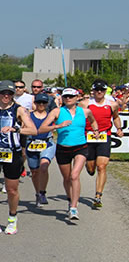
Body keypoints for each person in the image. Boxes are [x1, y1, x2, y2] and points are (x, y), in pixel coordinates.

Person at [0, 80, 36, 237]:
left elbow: (33, 130)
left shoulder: (20, 110)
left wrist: (15, 129)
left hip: (12, 153)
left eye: (9, 93)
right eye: (3, 93)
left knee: (11, 190)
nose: (6, 96)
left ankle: (12, 217)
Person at [38, 87, 98, 220]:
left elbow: (93, 121)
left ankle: (74, 208)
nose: (68, 99)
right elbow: (42, 128)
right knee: (67, 178)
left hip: (80, 147)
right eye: (65, 97)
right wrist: (58, 126)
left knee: (74, 176)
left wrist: (96, 130)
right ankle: (70, 199)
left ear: (77, 98)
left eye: (71, 97)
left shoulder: (85, 111)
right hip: (63, 148)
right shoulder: (57, 111)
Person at [80, 80, 122, 208]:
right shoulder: (85, 103)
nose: (99, 92)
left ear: (105, 91)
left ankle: (98, 196)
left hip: (104, 136)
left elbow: (115, 117)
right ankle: (89, 166)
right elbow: (79, 118)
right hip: (88, 137)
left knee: (102, 166)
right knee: (91, 167)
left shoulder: (112, 104)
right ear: (93, 91)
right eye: (97, 90)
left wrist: (119, 128)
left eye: (102, 90)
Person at [26, 93, 56, 207]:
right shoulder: (28, 115)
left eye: (44, 103)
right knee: (35, 172)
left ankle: (43, 192)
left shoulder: (50, 115)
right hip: (31, 144)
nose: (41, 105)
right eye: (39, 103)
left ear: (47, 104)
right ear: (35, 103)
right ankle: (38, 193)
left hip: (47, 143)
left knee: (44, 166)